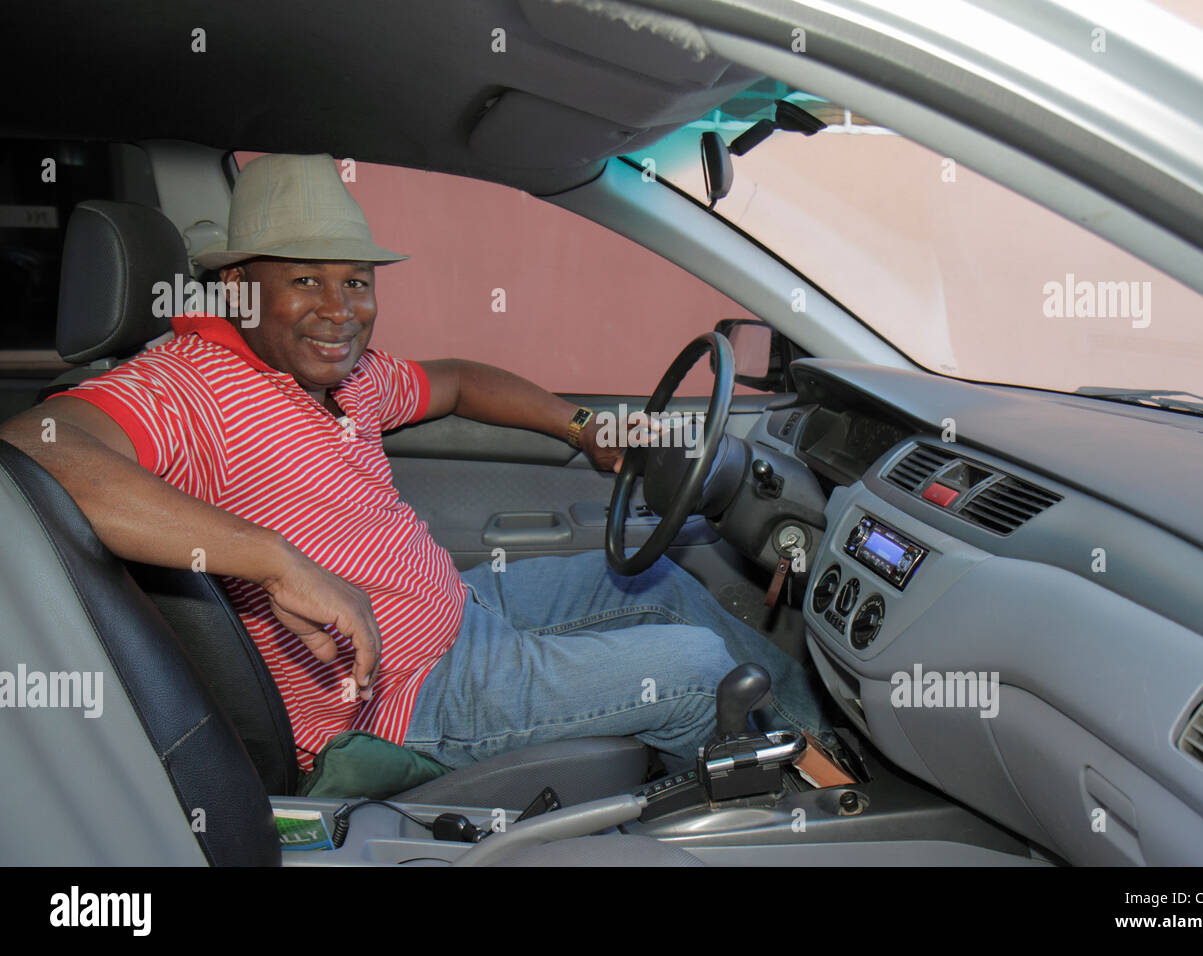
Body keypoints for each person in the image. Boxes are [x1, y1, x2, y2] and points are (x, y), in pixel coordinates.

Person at [0, 153, 832, 776]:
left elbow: (463, 381)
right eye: (305, 282)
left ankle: (828, 753)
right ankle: (773, 813)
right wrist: (275, 561)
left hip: (459, 610)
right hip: (398, 697)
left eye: (357, 282)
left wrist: (581, 426)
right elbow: (38, 446)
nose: (340, 311)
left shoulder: (339, 375)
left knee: (665, 586)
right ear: (241, 288)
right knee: (690, 670)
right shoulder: (184, 387)